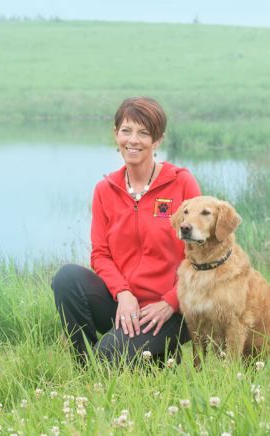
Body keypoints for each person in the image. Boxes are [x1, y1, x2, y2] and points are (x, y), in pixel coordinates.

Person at [52, 96, 201, 365]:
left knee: (108, 356)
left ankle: (147, 354)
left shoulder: (182, 184)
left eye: (144, 133)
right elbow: (100, 254)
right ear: (116, 134)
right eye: (126, 131)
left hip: (172, 309)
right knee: (66, 278)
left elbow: (200, 255)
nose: (133, 140)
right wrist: (123, 293)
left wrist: (170, 301)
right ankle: (87, 367)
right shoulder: (105, 190)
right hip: (125, 305)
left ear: (157, 140)